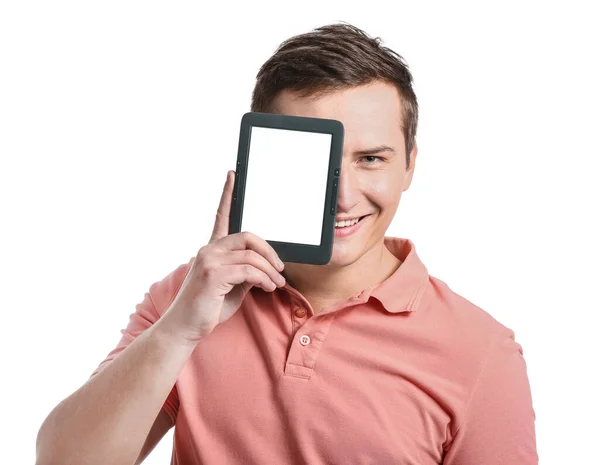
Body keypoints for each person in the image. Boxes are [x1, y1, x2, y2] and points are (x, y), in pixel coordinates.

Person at [36, 22, 538, 465]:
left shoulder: (481, 352)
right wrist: (178, 331)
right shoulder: (191, 297)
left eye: (371, 159)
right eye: (316, 161)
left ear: (410, 163)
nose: (342, 197)